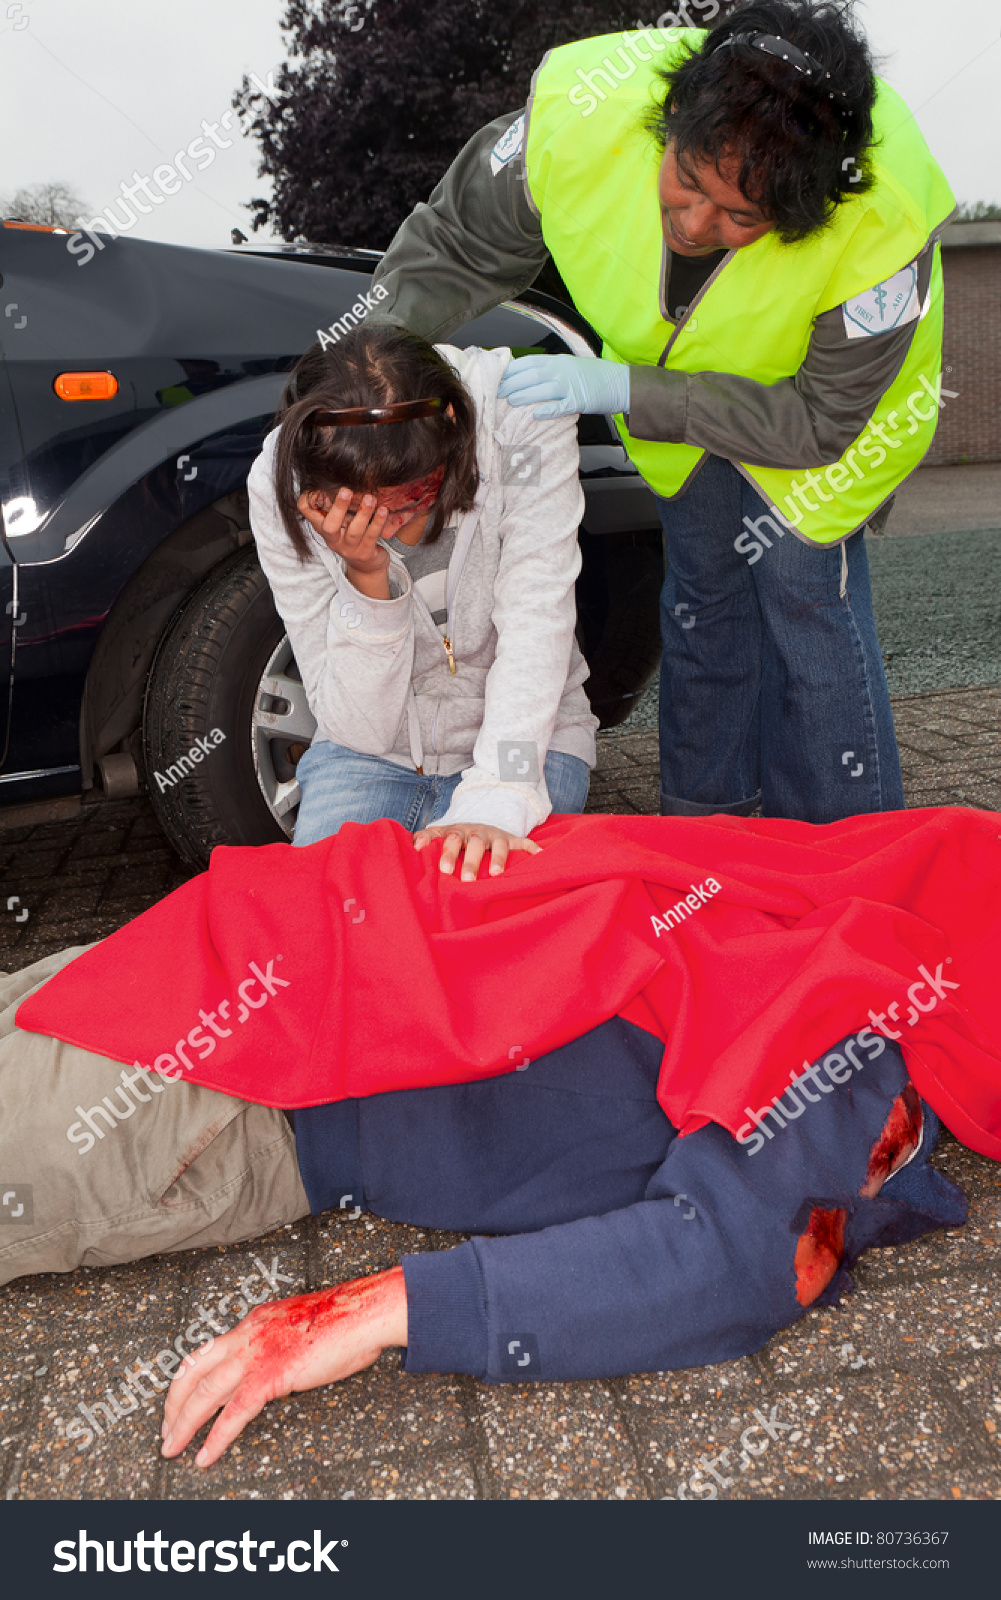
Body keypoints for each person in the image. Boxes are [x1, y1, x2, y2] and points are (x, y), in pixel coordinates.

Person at [364, 3, 956, 824]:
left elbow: (821, 421)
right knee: (702, 603)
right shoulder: (576, 117)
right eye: (688, 184)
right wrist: (360, 369)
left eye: (739, 218)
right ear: (671, 119)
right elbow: (455, 246)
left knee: (800, 595)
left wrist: (624, 392)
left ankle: (845, 848)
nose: (694, 223)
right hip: (684, 411)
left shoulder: (882, 222)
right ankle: (708, 839)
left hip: (827, 417)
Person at [248, 324, 598, 877]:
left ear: (452, 428)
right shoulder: (281, 486)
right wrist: (368, 579)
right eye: (359, 506)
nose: (392, 519)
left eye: (416, 491)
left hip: (525, 741)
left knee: (479, 925)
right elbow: (357, 728)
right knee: (327, 916)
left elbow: (537, 621)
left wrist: (497, 798)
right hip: (372, 752)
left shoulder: (522, 426)